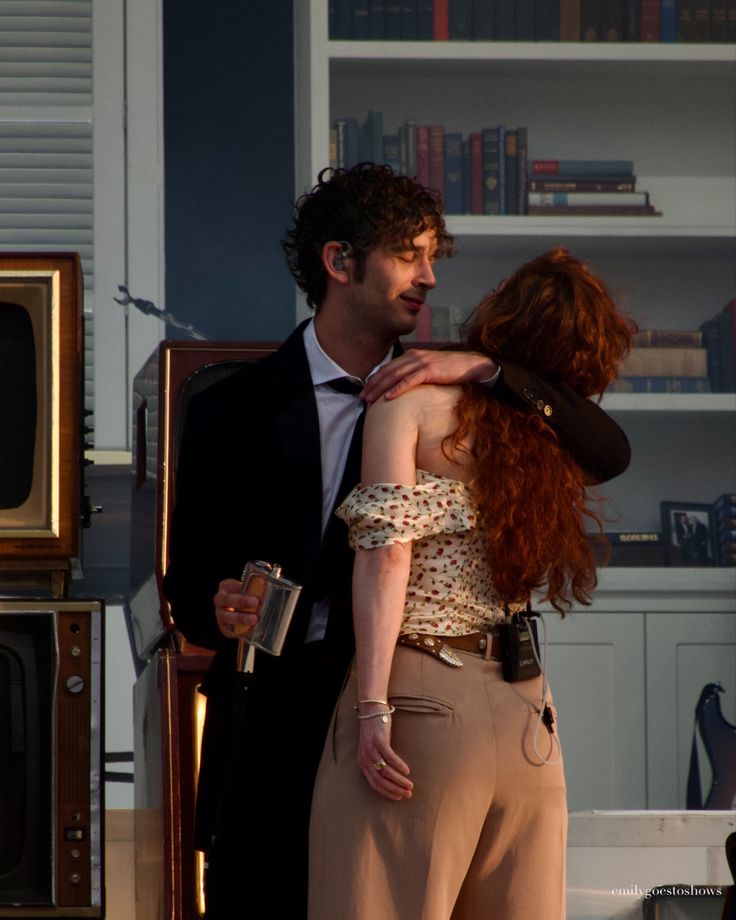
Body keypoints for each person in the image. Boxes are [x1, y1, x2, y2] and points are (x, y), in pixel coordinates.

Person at [162, 164, 631, 919]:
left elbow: (604, 446)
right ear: (340, 263)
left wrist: (490, 365)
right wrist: (217, 604)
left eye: (433, 256)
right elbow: (186, 586)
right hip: (273, 728)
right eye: (410, 256)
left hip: (405, 717)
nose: (429, 278)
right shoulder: (228, 408)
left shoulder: (452, 394)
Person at [308, 247, 635, 920]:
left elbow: (386, 558)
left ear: (499, 318)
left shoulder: (412, 402)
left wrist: (372, 707)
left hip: (423, 700)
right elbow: (613, 450)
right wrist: (499, 376)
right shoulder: (550, 435)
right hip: (526, 720)